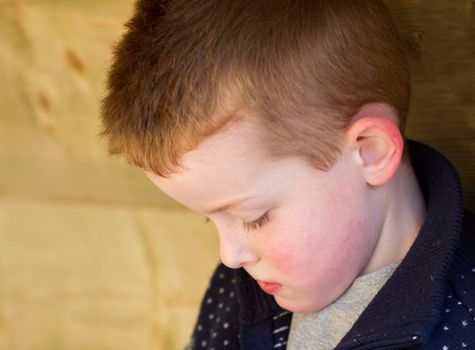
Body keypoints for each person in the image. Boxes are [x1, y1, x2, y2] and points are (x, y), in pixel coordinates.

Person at [100, 0, 475, 349]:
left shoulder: (463, 320)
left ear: (369, 151)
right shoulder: (237, 292)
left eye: (254, 217)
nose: (230, 256)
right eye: (209, 219)